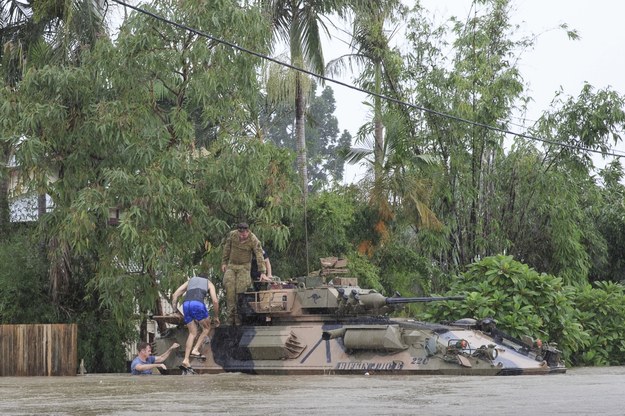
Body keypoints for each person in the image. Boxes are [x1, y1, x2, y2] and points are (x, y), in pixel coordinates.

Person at [221, 222, 270, 325]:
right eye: (240, 234)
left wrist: (263, 272)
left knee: (240, 292)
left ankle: (239, 319)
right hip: (232, 265)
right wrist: (224, 262)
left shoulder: (253, 239)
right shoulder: (232, 235)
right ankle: (230, 318)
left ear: (248, 232)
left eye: (244, 234)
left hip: (244, 267)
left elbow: (259, 255)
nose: (242, 236)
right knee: (230, 290)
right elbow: (227, 248)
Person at [171, 273, 220, 372]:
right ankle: (195, 349)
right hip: (197, 304)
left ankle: (186, 360)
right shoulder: (209, 283)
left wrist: (175, 311)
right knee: (206, 328)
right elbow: (215, 301)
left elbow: (175, 295)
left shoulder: (190, 281)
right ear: (207, 278)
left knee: (192, 332)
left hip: (186, 305)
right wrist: (216, 316)